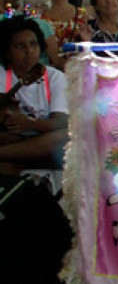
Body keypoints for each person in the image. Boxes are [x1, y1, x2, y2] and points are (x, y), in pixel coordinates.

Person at [0, 16, 69, 177]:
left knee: (64, 135)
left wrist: (31, 125)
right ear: (7, 52)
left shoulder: (55, 77)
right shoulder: (2, 74)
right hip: (13, 140)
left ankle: (14, 156)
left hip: (43, 140)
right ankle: (25, 157)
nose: (29, 51)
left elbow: (61, 121)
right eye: (20, 46)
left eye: (33, 44)